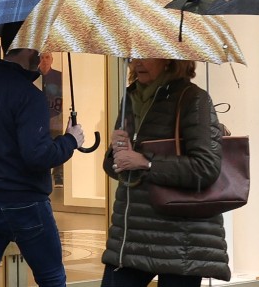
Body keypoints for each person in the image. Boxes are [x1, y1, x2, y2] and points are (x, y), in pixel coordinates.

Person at [0, 23, 87, 287]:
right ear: (28, 46)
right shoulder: (30, 96)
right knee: (52, 278)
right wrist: (70, 140)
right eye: (40, 44)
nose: (43, 52)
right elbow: (36, 155)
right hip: (24, 203)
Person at [99, 58, 230, 286]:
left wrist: (146, 163)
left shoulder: (193, 98)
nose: (137, 63)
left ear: (169, 60)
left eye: (145, 55)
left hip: (180, 240)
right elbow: (117, 168)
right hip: (131, 234)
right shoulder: (130, 98)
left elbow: (205, 168)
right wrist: (115, 153)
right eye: (133, 57)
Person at [38, 52, 65, 186]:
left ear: (52, 60)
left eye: (47, 57)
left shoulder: (60, 76)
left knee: (57, 145)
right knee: (42, 147)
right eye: (41, 57)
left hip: (56, 118)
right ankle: (45, 174)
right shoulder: (34, 77)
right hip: (39, 120)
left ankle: (59, 174)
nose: (44, 60)